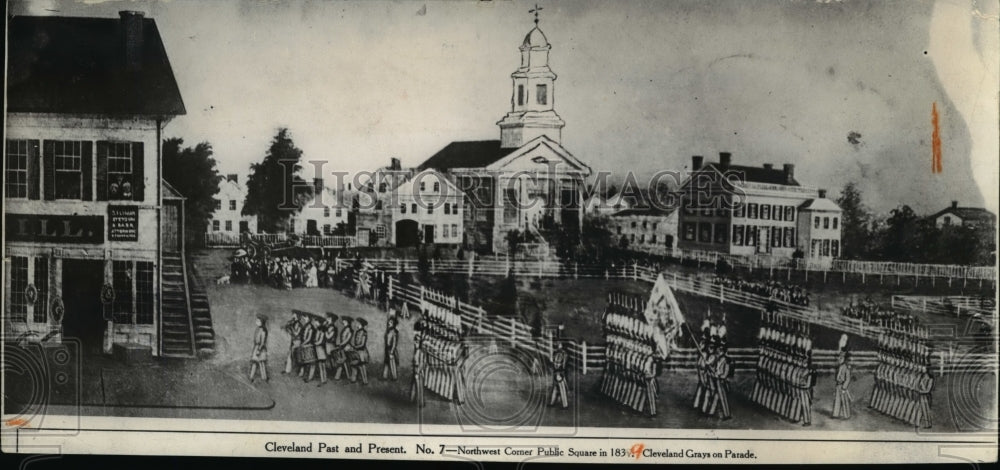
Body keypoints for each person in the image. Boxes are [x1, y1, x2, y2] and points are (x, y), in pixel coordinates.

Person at [332, 317, 354, 381]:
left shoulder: (349, 329)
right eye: (343, 321)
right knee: (341, 361)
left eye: (344, 321)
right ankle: (338, 376)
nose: (343, 322)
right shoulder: (345, 328)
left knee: (345, 361)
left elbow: (347, 339)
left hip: (347, 346)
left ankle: (349, 376)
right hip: (343, 346)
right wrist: (340, 345)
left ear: (347, 322)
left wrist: (341, 345)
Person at [549, 342, 569, 409]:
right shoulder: (556, 353)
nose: (558, 346)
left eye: (559, 345)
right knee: (555, 388)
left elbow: (564, 364)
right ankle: (552, 402)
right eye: (557, 345)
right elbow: (554, 362)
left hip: (559, 372)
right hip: (556, 371)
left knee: (561, 387)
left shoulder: (564, 354)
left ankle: (565, 404)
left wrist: (561, 371)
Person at [350, 318, 370, 385]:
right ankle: (353, 379)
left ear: (361, 324)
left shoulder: (364, 332)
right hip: (356, 351)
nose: (356, 324)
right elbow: (354, 341)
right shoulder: (357, 331)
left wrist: (355, 347)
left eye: (358, 323)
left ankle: (365, 381)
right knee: (354, 364)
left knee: (362, 366)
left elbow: (362, 344)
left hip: (361, 351)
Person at [249, 314, 269, 383]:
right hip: (256, 347)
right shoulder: (258, 329)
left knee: (261, 363)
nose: (256, 321)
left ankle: (264, 378)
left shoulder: (263, 330)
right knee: (254, 363)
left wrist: (259, 350)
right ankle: (251, 377)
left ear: (261, 322)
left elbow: (263, 342)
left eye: (258, 321)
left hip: (261, 348)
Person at [311, 316, 328, 386]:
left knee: (322, 365)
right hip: (318, 349)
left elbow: (320, 341)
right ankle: (323, 380)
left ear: (319, 322)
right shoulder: (318, 330)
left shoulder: (322, 331)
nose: (315, 323)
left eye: (316, 322)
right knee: (321, 365)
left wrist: (313, 343)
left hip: (321, 349)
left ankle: (323, 380)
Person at [383, 316, 399, 381]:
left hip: (391, 349)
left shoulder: (394, 332)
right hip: (387, 348)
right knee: (386, 362)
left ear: (394, 324)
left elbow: (394, 343)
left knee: (392, 363)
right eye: (389, 321)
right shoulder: (388, 330)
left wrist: (392, 352)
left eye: (391, 322)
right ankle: (384, 376)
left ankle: (394, 377)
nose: (389, 323)